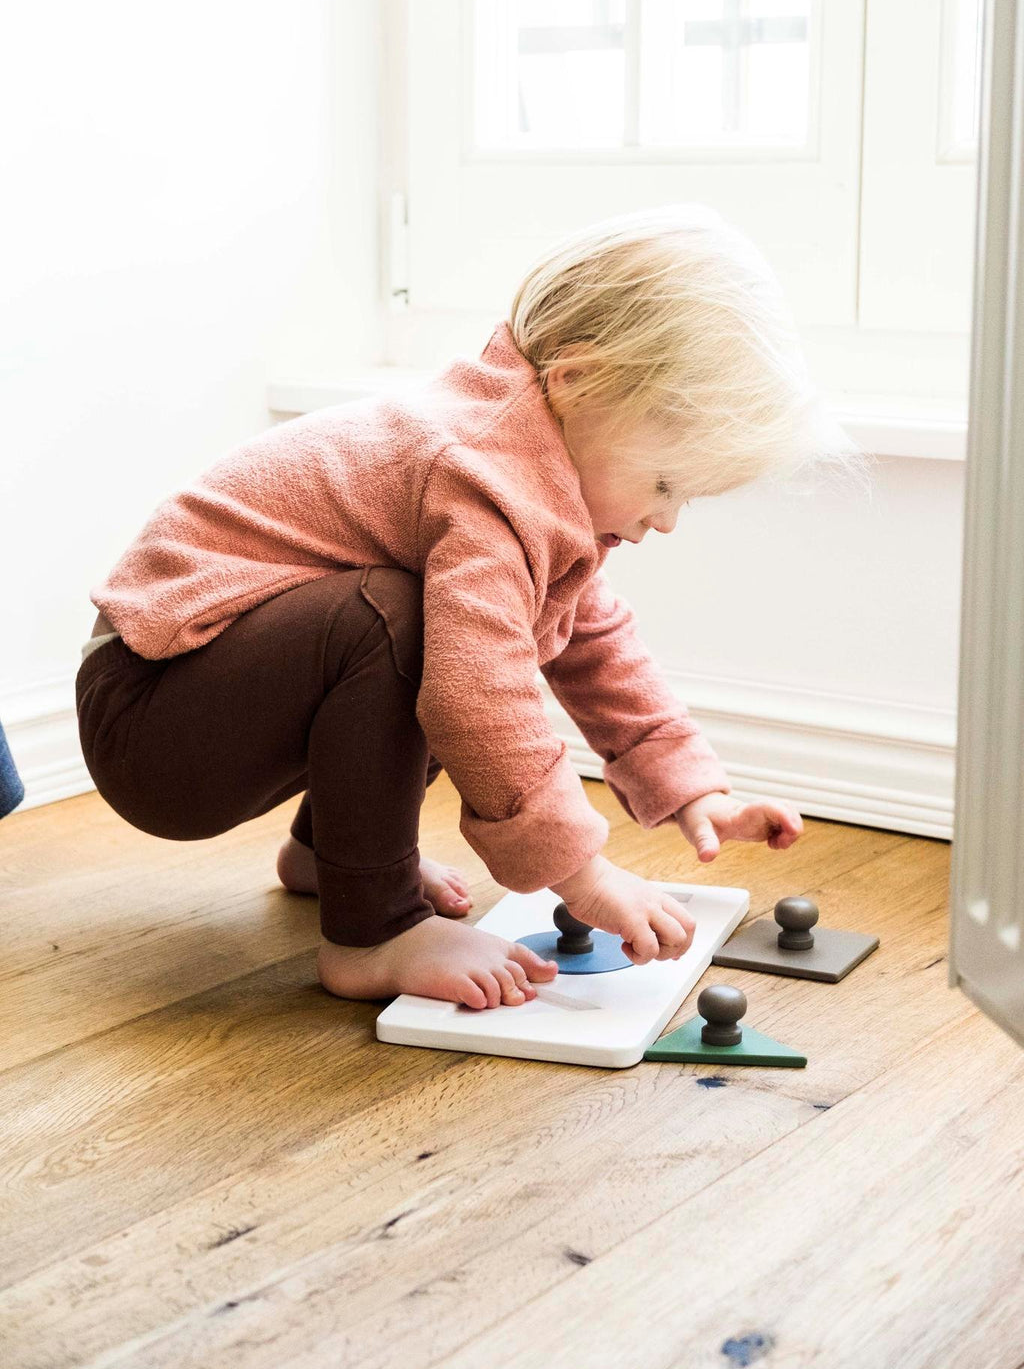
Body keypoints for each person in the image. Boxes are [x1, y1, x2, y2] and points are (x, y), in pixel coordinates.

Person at [76, 204, 858, 1012]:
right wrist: (582, 873)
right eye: (666, 483)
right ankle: (373, 931)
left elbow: (592, 639)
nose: (665, 519)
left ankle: (326, 855)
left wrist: (694, 789)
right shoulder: (480, 470)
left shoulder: (533, 470)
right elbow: (477, 693)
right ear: (577, 381)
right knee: (419, 630)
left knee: (447, 623)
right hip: (151, 717)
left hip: (202, 693)